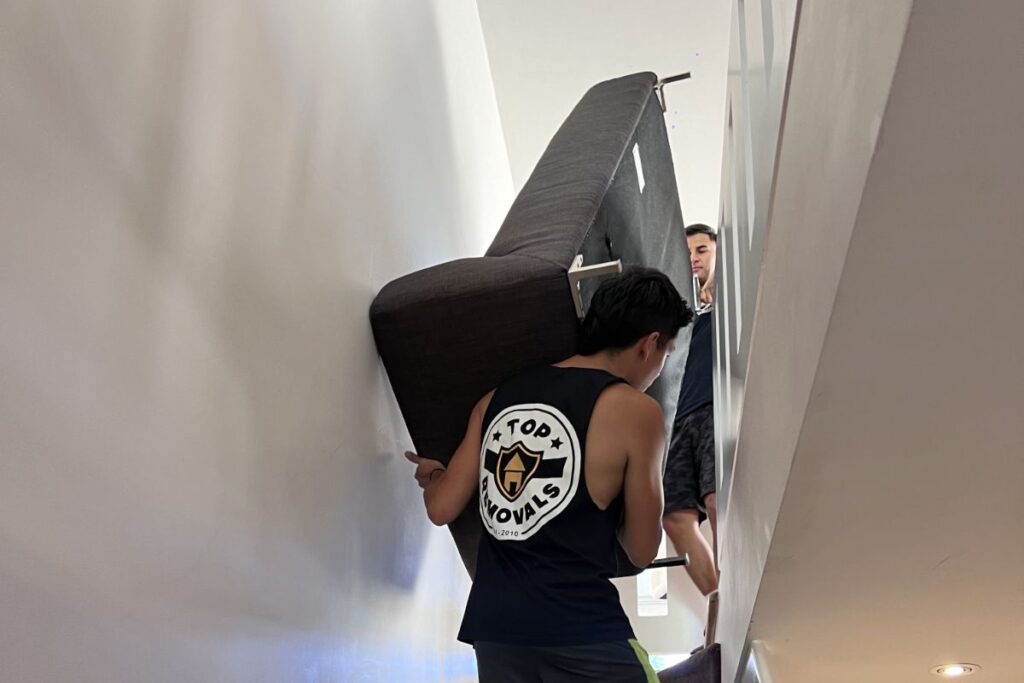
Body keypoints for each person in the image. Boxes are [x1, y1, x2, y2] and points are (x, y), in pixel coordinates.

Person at [406, 267, 693, 682]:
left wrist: (435, 476)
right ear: (650, 344)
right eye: (666, 354)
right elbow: (642, 549)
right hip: (583, 628)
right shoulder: (638, 412)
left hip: (496, 631)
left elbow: (441, 507)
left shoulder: (495, 399)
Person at [662, 223, 720, 600]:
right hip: (676, 421)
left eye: (701, 250)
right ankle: (718, 600)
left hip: (713, 408)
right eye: (687, 253)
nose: (693, 259)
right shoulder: (676, 314)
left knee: (717, 502)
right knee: (674, 517)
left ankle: (736, 592)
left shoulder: (726, 305)